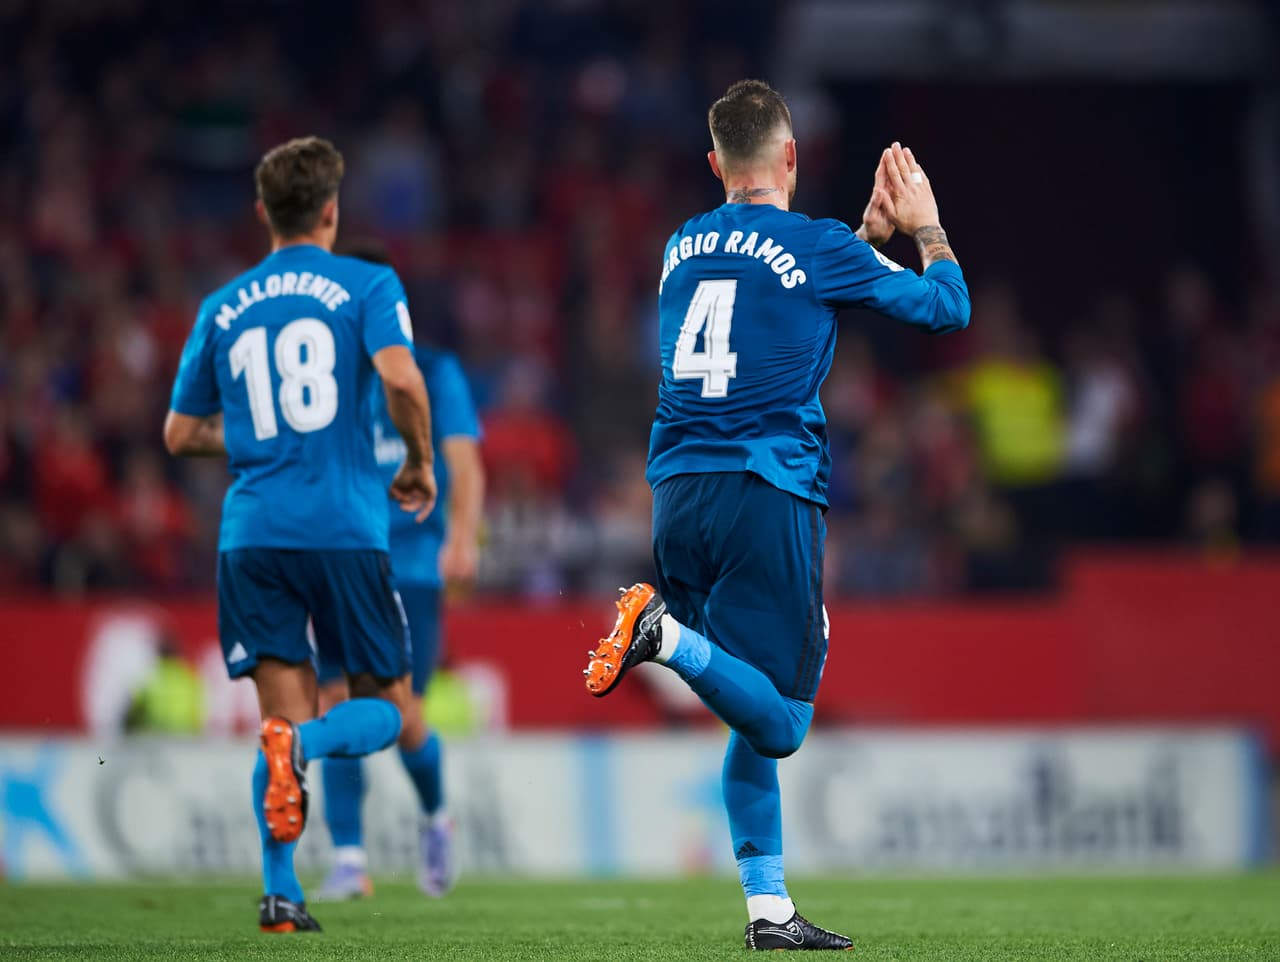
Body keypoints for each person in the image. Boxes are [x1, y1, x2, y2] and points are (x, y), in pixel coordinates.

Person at [583, 79, 970, 951]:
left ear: (714, 162)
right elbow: (949, 309)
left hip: (678, 493)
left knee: (749, 703)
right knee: (786, 719)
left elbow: (775, 306)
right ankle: (661, 636)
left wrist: (863, 242)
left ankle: (768, 910)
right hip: (766, 488)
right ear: (791, 156)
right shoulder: (816, 245)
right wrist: (925, 228)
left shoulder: (682, 244)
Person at [164, 136, 437, 933]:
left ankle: (281, 895)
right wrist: (418, 460)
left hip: (252, 535)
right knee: (387, 708)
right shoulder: (367, 283)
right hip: (344, 528)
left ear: (263, 212)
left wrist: (259, 436)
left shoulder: (222, 305)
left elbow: (179, 433)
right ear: (331, 210)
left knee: (276, 720)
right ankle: (307, 747)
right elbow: (400, 377)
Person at [314, 248, 484, 898]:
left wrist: (462, 539)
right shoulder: (328, 382)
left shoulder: (435, 373)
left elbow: (465, 463)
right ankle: (349, 861)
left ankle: (437, 818)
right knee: (332, 701)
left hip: (411, 565)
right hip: (340, 559)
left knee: (400, 710)